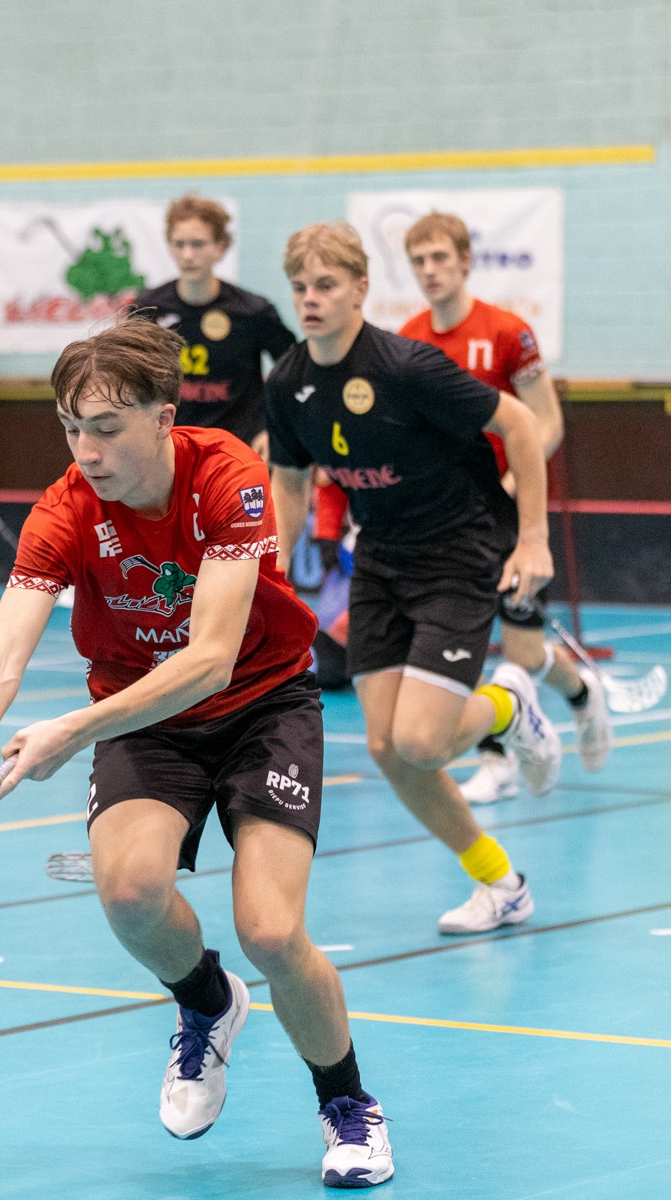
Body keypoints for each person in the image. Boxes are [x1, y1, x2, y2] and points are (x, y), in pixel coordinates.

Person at [0, 319, 394, 1188]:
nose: (87, 451)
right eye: (71, 428)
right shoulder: (64, 512)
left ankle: (348, 1105)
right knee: (128, 893)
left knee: (271, 931)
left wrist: (75, 728)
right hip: (146, 722)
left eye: (107, 428)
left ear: (163, 417)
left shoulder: (228, 475)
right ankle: (207, 1002)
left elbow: (211, 659)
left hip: (262, 705)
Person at [265, 221, 561, 937]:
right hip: (381, 558)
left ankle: (510, 704)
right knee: (386, 750)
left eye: (326, 285)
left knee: (424, 743)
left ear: (360, 289)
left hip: (458, 552)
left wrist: (532, 539)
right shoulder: (288, 384)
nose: (310, 299)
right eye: (300, 287)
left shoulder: (407, 366)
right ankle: (501, 883)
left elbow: (521, 426)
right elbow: (291, 483)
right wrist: (271, 572)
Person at [397, 211, 613, 803]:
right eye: (419, 261)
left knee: (524, 650)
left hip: (510, 512)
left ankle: (581, 693)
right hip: (446, 520)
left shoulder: (507, 333)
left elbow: (547, 421)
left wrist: (516, 483)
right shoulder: (409, 339)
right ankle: (497, 763)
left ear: (465, 261)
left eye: (440, 258)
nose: (430, 270)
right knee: (458, 635)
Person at [133, 194, 296, 459]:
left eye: (198, 244)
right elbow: (129, 380)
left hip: (239, 447)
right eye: (179, 244)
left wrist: (272, 429)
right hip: (171, 447)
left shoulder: (253, 311)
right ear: (169, 246)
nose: (188, 254)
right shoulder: (148, 310)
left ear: (220, 247)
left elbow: (294, 374)